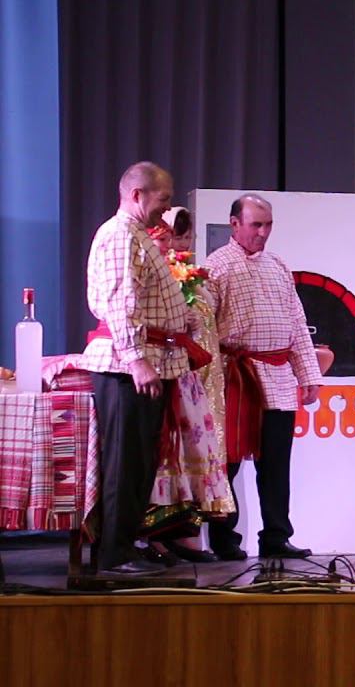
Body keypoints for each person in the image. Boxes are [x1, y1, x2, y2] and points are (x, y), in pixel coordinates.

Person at [81, 161, 200, 574]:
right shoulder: (120, 235)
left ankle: (125, 544)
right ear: (137, 195)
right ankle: (114, 554)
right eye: (163, 199)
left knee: (140, 462)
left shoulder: (137, 235)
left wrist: (182, 320)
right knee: (124, 462)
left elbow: (148, 297)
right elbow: (120, 302)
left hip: (146, 360)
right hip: (125, 366)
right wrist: (136, 360)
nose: (167, 207)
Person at [205, 193, 323, 560]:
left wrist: (309, 375)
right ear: (234, 224)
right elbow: (205, 330)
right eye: (256, 224)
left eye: (268, 224)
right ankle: (224, 538)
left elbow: (297, 323)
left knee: (275, 463)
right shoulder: (215, 267)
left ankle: (275, 536)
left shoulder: (278, 265)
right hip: (236, 376)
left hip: (278, 377)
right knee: (228, 461)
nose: (263, 232)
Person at [135, 216, 234, 564]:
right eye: (168, 237)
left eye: (183, 236)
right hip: (162, 371)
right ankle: (155, 537)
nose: (177, 244)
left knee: (188, 457)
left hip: (193, 376)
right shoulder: (148, 276)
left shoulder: (191, 277)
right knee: (164, 455)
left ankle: (184, 535)